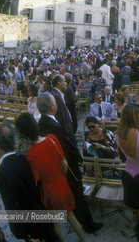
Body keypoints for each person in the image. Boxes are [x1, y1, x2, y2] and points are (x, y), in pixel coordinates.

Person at [37, 93, 103, 234]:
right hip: (68, 164)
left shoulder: (43, 122)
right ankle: (88, 224)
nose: (57, 103)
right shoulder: (52, 124)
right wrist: (79, 160)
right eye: (55, 101)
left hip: (59, 164)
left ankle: (79, 218)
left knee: (73, 193)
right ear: (51, 106)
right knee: (78, 194)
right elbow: (67, 145)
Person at [15, 113, 86, 242]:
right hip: (62, 184)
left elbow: (36, 181)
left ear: (24, 133)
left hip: (49, 192)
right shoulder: (52, 138)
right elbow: (64, 165)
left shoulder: (30, 154)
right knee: (72, 218)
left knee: (53, 224)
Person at [0, 123, 58, 242]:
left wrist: (22, 233)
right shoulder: (24, 159)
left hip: (28, 225)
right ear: (15, 141)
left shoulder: (1, 172)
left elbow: (11, 204)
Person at [51, 75, 75, 145]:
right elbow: (61, 118)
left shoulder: (59, 94)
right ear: (59, 83)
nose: (66, 83)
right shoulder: (56, 96)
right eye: (64, 81)